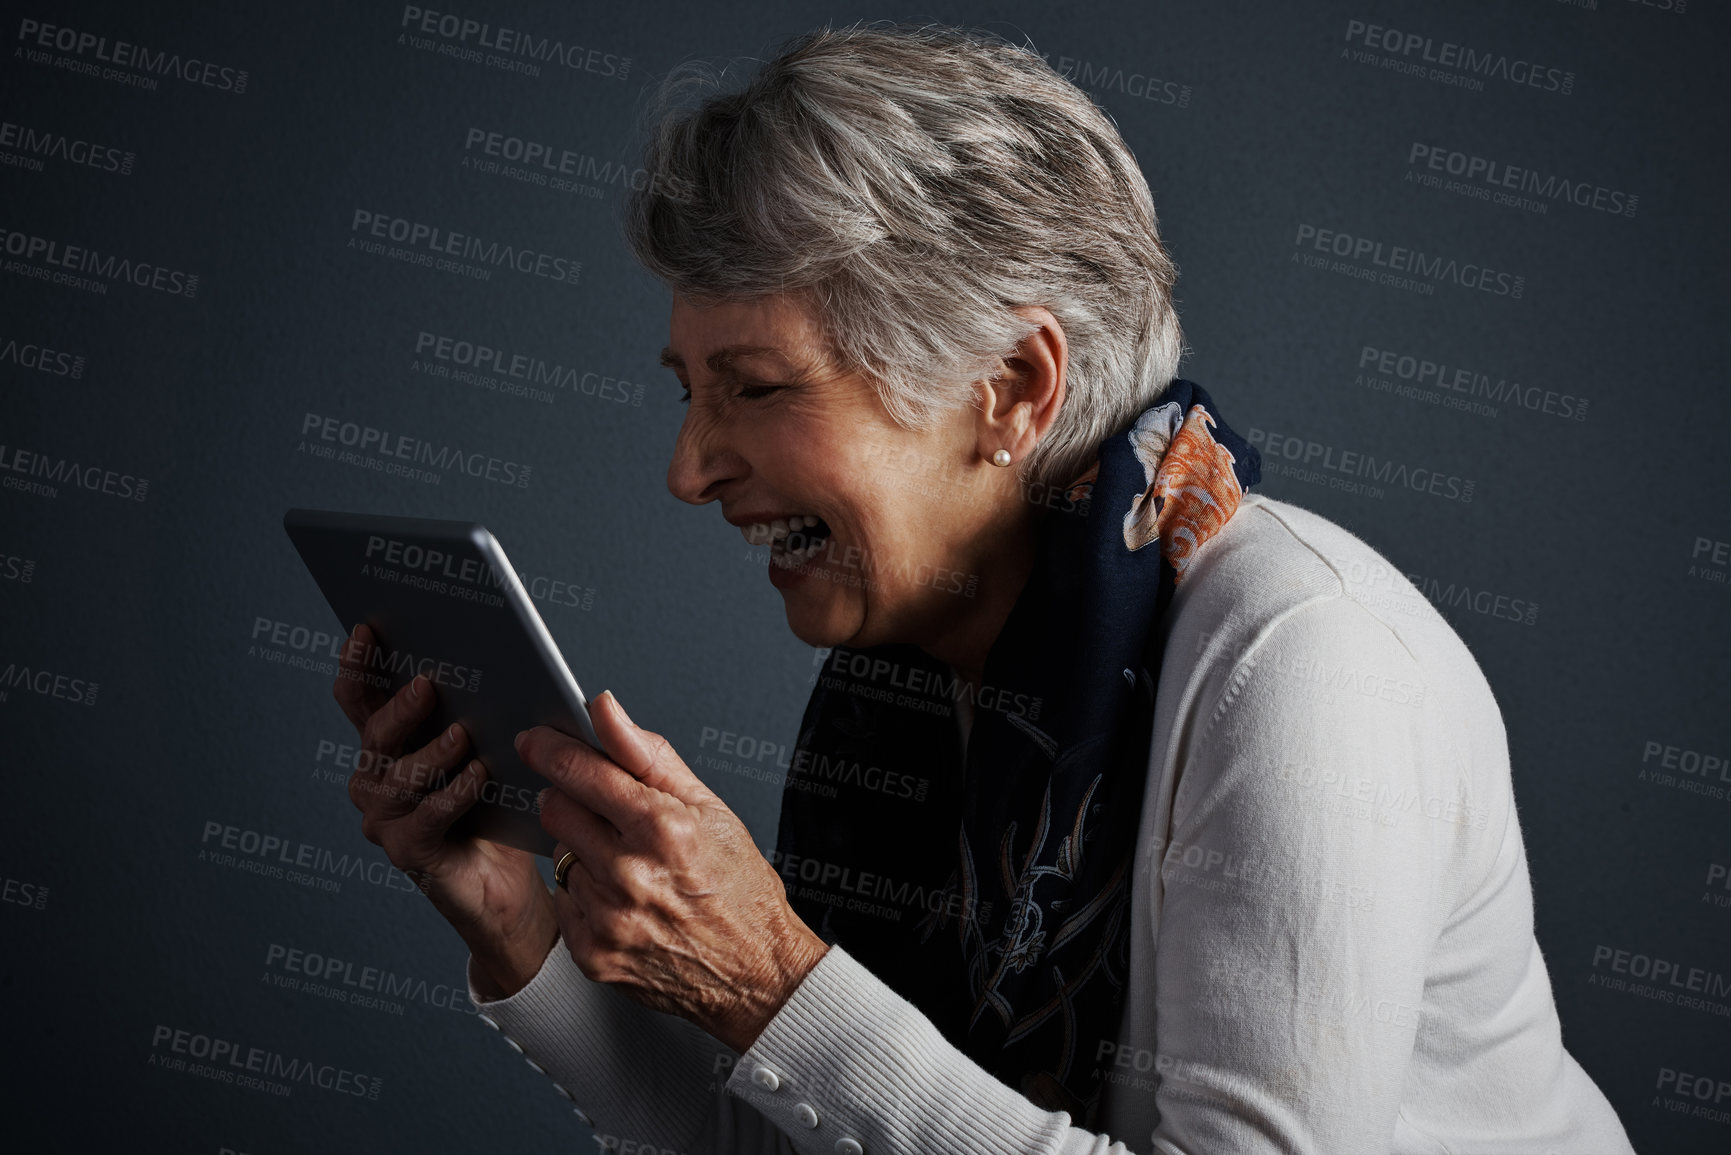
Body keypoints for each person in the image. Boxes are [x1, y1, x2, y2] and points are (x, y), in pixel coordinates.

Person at [334, 22, 1635, 1154]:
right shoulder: (926, 682)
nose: (689, 470)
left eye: (760, 387)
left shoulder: (1300, 659)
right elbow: (830, 1137)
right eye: (690, 392)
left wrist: (776, 983)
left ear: (1013, 389)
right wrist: (528, 936)